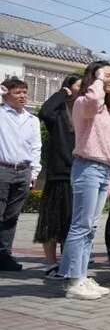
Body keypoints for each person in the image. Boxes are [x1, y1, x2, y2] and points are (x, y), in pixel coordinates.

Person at [58, 61, 110, 299]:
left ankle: (82, 275)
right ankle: (73, 281)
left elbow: (108, 145)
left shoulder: (105, 111)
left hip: (103, 169)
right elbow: (93, 100)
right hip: (87, 167)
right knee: (81, 225)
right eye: (109, 76)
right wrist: (99, 79)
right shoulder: (84, 103)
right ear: (95, 78)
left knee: (90, 227)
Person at [35, 75, 80, 278]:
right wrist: (62, 93)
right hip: (59, 173)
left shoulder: (82, 111)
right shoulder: (58, 112)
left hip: (77, 173)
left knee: (72, 221)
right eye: (79, 86)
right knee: (52, 220)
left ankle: (68, 263)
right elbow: (44, 111)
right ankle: (51, 264)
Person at [0, 77, 42, 272]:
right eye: (17, 92)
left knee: (12, 217)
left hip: (23, 171)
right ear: (6, 93)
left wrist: (34, 172)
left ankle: (4, 256)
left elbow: (36, 147)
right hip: (2, 170)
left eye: (25, 92)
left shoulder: (31, 119)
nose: (23, 96)